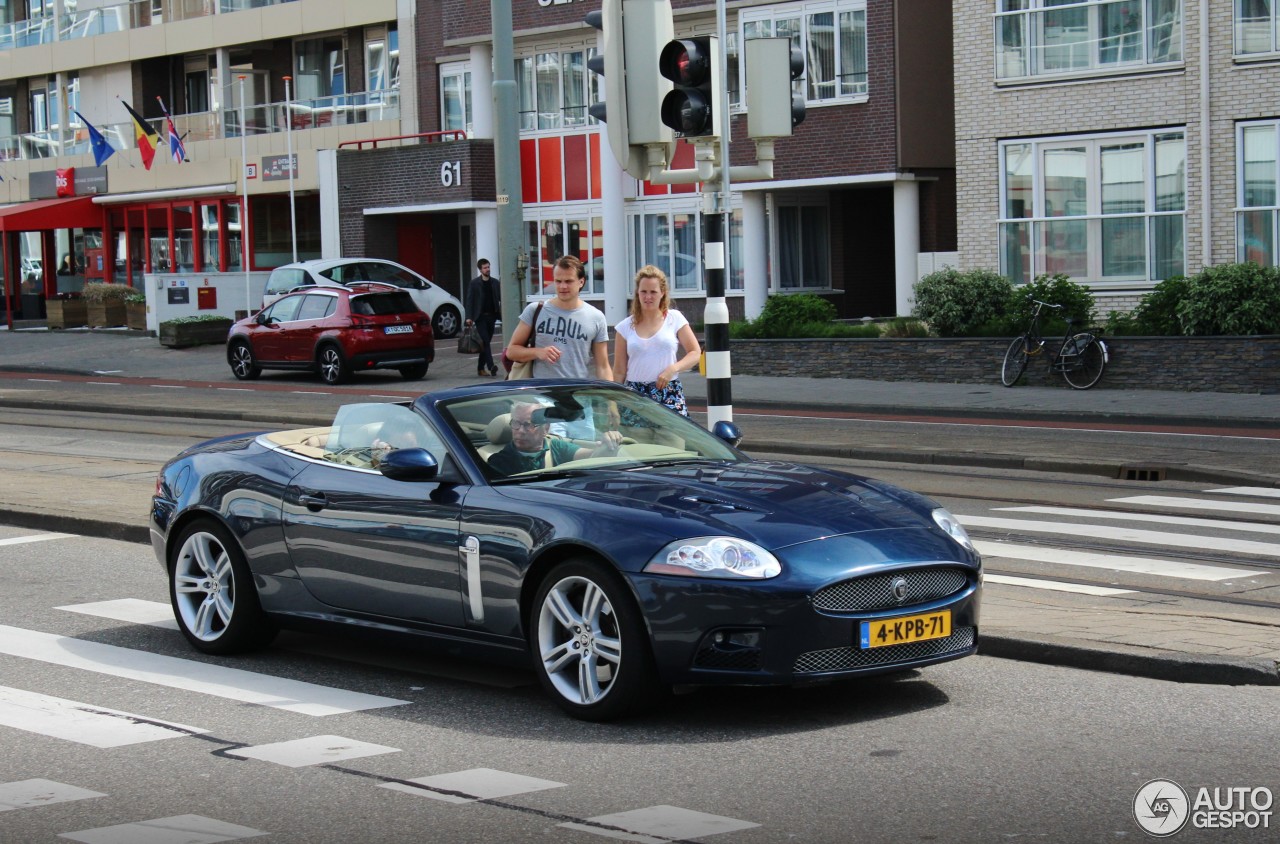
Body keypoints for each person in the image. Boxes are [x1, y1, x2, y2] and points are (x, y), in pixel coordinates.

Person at [505, 254, 613, 439]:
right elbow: (512, 351)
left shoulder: (595, 317)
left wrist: (612, 402)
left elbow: (603, 366)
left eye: (568, 281)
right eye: (558, 281)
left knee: (584, 456)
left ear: (581, 282)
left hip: (579, 402)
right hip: (543, 399)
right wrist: (538, 352)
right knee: (554, 453)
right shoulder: (535, 310)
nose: (562, 286)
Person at [613, 265, 701, 417]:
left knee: (673, 440)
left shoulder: (675, 319)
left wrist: (672, 369)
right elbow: (619, 371)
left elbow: (695, 353)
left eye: (653, 292)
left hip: (668, 391)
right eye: (643, 292)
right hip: (635, 394)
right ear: (637, 293)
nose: (648, 297)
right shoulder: (624, 327)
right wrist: (614, 403)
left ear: (662, 293)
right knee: (639, 440)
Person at [487, 400, 623, 476]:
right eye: (516, 423)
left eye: (528, 425)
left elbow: (592, 457)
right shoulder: (499, 462)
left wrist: (609, 441)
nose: (520, 431)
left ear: (546, 429)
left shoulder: (556, 447)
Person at [464, 258, 501, 377]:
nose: (488, 269)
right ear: (480, 270)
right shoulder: (474, 283)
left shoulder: (495, 283)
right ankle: (491, 366)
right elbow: (470, 301)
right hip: (480, 317)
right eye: (485, 268)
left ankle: (480, 368)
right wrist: (469, 317)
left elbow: (501, 298)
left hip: (492, 316)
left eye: (488, 267)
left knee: (485, 343)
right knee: (485, 341)